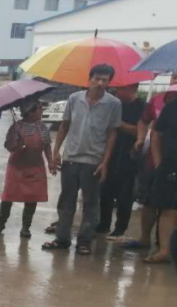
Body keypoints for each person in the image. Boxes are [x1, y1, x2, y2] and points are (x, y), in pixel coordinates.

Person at [43, 64, 121, 255]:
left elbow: (112, 134)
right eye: (97, 79)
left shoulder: (113, 104)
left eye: (105, 80)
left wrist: (105, 162)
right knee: (66, 202)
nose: (100, 83)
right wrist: (55, 152)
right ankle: (62, 239)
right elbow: (64, 126)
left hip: (93, 161)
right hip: (70, 159)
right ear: (90, 79)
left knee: (91, 205)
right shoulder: (74, 99)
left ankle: (84, 242)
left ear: (109, 82)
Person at [0, 101, 53, 238]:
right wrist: (17, 142)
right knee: (8, 197)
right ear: (30, 111)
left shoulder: (42, 127)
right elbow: (9, 147)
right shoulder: (16, 127)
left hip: (36, 167)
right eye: (39, 109)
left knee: (32, 199)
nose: (41, 111)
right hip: (16, 168)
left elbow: (47, 146)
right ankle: (1, 223)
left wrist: (50, 163)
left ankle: (26, 227)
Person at [98, 85, 147, 240]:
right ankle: (103, 224)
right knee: (105, 190)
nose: (117, 92)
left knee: (125, 194)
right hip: (110, 152)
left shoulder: (142, 106)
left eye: (121, 89)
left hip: (130, 155)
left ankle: (120, 228)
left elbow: (140, 131)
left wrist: (118, 123)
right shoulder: (115, 103)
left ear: (132, 88)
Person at [143, 96, 177, 264]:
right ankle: (164, 250)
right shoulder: (172, 107)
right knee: (167, 208)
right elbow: (156, 133)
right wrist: (158, 162)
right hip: (170, 165)